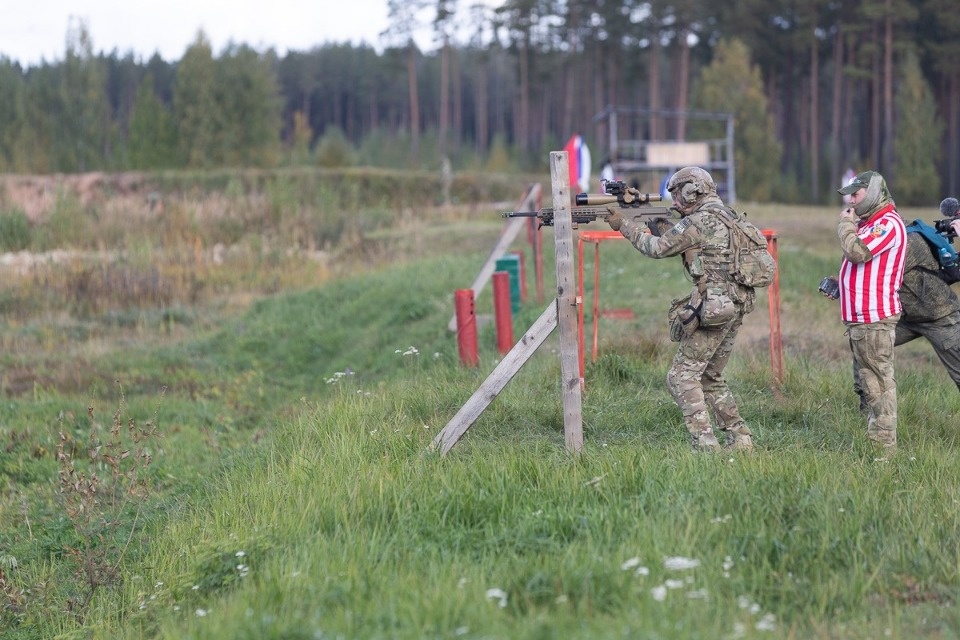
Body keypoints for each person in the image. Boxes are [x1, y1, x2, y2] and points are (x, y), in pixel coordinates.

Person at [605, 166, 756, 452]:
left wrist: (624, 225)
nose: (674, 202)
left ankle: (705, 445)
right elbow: (681, 237)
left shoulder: (699, 221)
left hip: (715, 308)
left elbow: (657, 247)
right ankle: (740, 439)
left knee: (681, 377)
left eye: (677, 195)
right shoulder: (729, 216)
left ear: (692, 192)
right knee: (710, 376)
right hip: (735, 304)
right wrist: (646, 212)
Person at [823, 200, 960, 407]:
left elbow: (872, 269)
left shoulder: (905, 239)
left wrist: (848, 230)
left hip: (939, 316)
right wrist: (839, 285)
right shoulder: (877, 237)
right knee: (864, 341)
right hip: (905, 314)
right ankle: (868, 406)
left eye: (864, 218)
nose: (860, 222)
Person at [834, 170, 907, 450]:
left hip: (874, 317)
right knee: (870, 381)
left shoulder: (887, 223)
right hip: (862, 319)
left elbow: (857, 252)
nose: (851, 201)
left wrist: (845, 225)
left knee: (879, 383)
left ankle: (883, 447)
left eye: (856, 194)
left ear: (874, 191)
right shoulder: (869, 224)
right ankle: (877, 439)